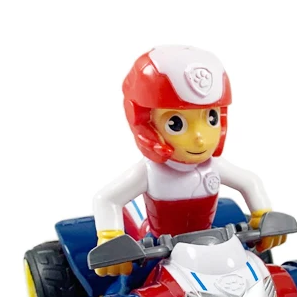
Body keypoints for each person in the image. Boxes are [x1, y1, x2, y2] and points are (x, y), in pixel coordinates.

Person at [93, 45, 285, 276]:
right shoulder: (150, 172)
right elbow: (107, 199)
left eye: (211, 118)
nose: (200, 137)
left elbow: (250, 181)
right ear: (146, 125)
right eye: (176, 124)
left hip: (213, 242)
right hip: (158, 248)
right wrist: (110, 237)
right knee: (134, 279)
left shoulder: (214, 166)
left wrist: (262, 216)